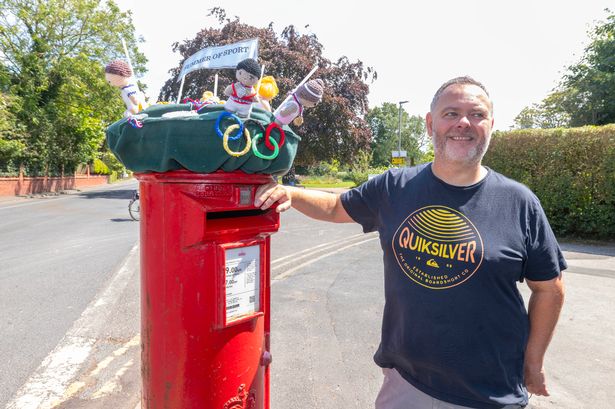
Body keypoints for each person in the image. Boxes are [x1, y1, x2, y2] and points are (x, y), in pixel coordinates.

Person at [254, 76, 566, 409]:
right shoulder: (395, 186)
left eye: (476, 114)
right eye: (451, 113)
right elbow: (335, 206)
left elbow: (550, 289)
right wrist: (291, 192)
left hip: (490, 392)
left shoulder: (519, 202)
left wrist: (533, 363)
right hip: (407, 385)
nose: (463, 122)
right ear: (431, 123)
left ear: (491, 124)